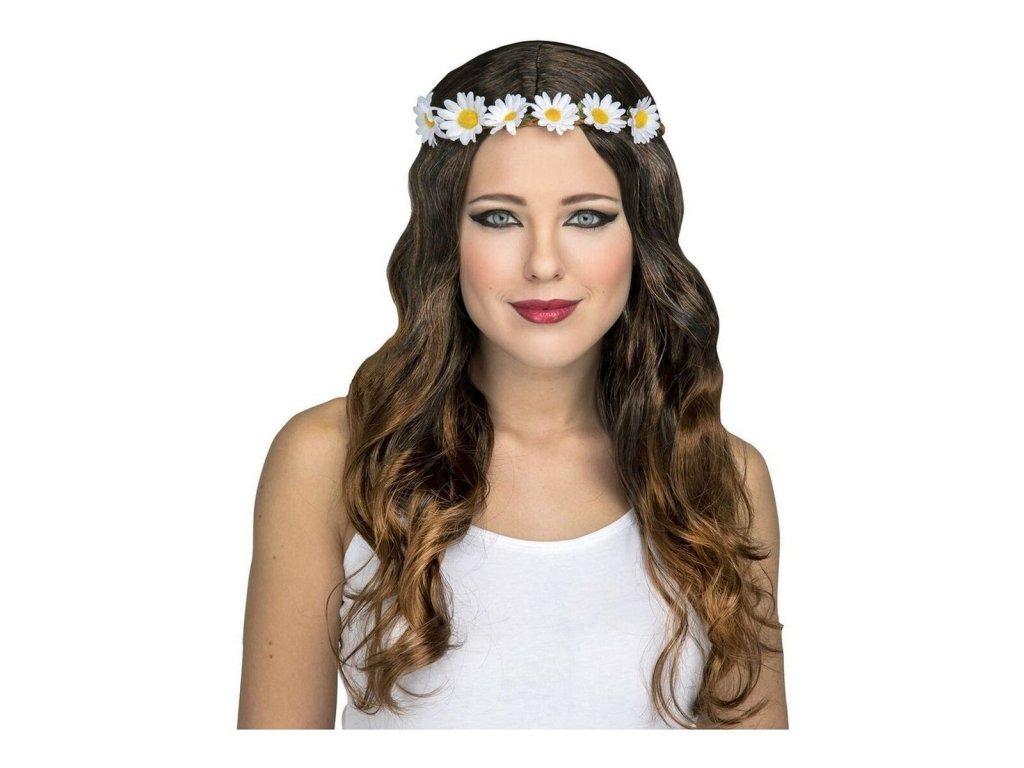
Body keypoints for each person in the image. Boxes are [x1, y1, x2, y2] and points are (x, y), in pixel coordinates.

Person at [237, 39, 788, 730]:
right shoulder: (331, 458)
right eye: (499, 217)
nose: (543, 263)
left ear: (641, 235)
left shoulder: (718, 474)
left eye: (587, 216)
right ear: (446, 235)